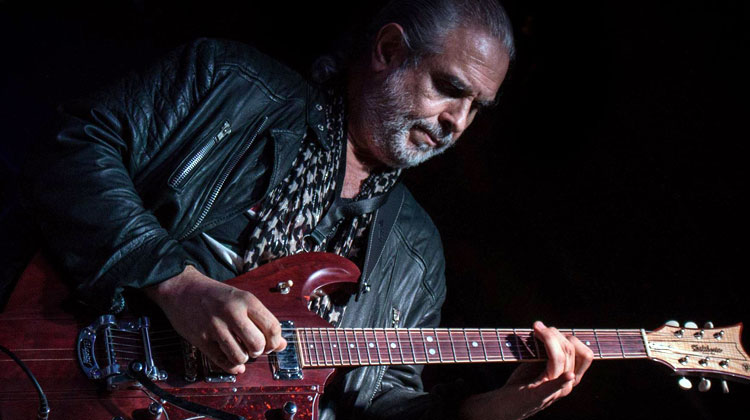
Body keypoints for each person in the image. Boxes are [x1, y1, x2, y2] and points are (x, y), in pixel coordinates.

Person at [19, 0, 594, 419]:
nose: (457, 122)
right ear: (388, 51)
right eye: (449, 87)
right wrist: (176, 284)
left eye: (477, 107)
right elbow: (74, 149)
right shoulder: (228, 83)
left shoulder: (417, 253)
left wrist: (489, 410)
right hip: (67, 367)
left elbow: (380, 400)